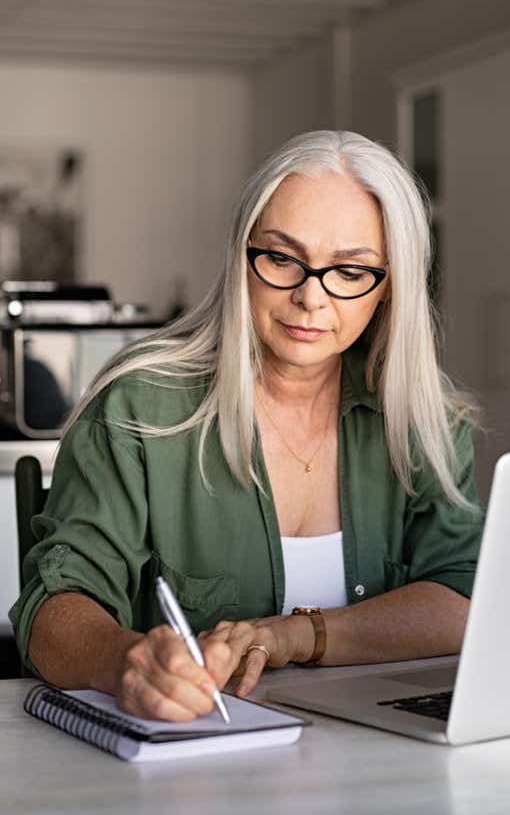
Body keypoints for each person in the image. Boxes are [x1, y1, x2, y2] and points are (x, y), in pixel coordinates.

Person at [10, 130, 483, 722]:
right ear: (242, 257)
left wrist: (294, 635)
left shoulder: (424, 418)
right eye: (283, 258)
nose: (311, 298)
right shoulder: (137, 406)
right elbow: (52, 608)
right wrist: (124, 661)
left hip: (382, 750)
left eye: (350, 270)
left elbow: (463, 599)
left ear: (389, 288)